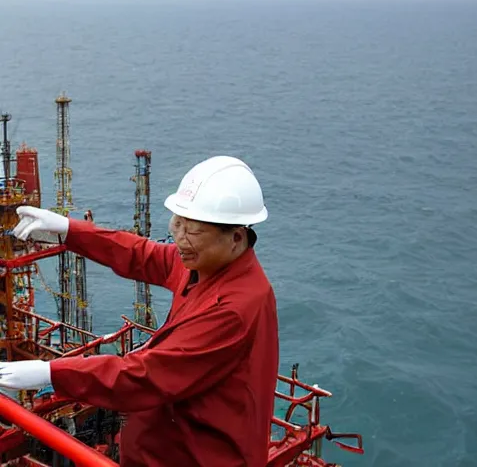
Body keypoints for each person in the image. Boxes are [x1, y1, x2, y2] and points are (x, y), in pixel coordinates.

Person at [0, 155, 279, 467]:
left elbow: (145, 377)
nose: (179, 238)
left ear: (236, 237)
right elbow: (144, 255)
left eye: (192, 231)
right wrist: (70, 231)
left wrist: (51, 373)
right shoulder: (208, 264)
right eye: (177, 223)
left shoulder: (234, 310)